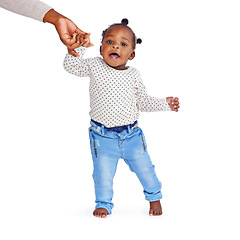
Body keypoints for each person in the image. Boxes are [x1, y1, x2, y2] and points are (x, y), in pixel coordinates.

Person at [63, 19, 180, 218]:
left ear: (131, 54)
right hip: (102, 137)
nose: (115, 45)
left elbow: (142, 102)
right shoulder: (94, 65)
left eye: (123, 44)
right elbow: (70, 66)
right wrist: (80, 46)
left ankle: (154, 197)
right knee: (102, 175)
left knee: (145, 169)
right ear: (101, 49)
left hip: (131, 136)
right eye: (110, 42)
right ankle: (103, 204)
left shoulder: (133, 75)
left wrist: (164, 104)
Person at [0, 0, 92, 56]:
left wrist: (58, 19)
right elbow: (72, 66)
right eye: (107, 42)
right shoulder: (94, 65)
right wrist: (80, 48)